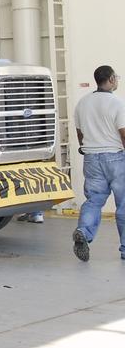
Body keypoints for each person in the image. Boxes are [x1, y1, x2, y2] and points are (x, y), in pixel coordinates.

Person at [72, 65, 125, 262]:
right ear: (111, 80)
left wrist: (87, 147)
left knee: (94, 200)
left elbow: (80, 133)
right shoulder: (117, 104)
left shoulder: (82, 103)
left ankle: (83, 232)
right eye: (116, 77)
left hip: (91, 158)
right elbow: (123, 132)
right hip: (115, 158)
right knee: (123, 203)